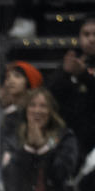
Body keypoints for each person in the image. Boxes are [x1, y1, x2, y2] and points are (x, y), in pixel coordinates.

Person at [1, 87, 78, 191]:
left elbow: (61, 173)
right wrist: (28, 149)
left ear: (51, 111)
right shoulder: (13, 139)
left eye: (43, 106)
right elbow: (9, 174)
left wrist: (43, 149)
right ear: (26, 110)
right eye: (33, 105)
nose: (37, 111)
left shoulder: (65, 138)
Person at [48, 16, 95, 166]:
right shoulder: (71, 64)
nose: (91, 39)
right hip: (73, 136)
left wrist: (83, 76)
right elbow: (49, 94)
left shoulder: (79, 70)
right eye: (86, 34)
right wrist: (65, 73)